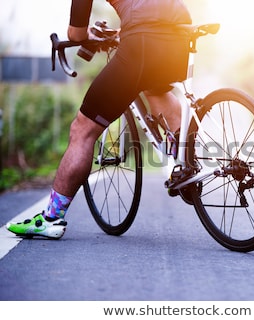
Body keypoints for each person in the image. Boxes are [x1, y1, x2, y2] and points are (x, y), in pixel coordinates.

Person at [6, 0, 192, 239]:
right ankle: (188, 162)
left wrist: (86, 35)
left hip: (143, 37)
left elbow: (76, 33)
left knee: (82, 129)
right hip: (180, 33)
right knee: (155, 87)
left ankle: (51, 217)